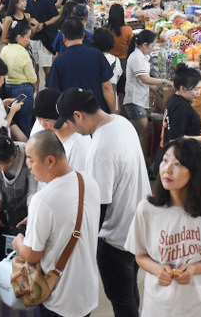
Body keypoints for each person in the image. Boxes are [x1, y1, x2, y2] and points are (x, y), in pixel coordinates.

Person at [54, 87, 151, 317]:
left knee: (121, 299)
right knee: (129, 291)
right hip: (139, 224)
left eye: (70, 123)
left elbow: (98, 206)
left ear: (78, 115)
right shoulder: (121, 122)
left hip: (116, 237)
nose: (72, 129)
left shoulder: (99, 149)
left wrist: (84, 248)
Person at [126, 138, 201, 316]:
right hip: (159, 305)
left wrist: (195, 269)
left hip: (200, 305)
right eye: (165, 160)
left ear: (196, 170)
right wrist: (158, 269)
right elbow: (140, 255)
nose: (167, 169)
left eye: (177, 164)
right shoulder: (147, 209)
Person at [12, 130, 101, 317]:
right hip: (87, 292)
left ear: (50, 161)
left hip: (60, 298)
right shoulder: (88, 181)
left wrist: (18, 241)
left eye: (31, 159)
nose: (28, 165)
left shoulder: (43, 200)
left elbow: (32, 255)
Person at [152, 63, 201, 178]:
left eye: (200, 89)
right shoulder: (181, 107)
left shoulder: (175, 98)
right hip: (177, 159)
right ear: (183, 88)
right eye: (195, 89)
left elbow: (176, 124)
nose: (198, 93)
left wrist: (197, 127)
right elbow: (176, 137)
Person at [47, 19, 116, 114]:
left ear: (64, 37)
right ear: (83, 36)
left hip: (72, 114)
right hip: (97, 112)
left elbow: (53, 92)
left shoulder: (59, 61)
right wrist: (114, 113)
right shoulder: (97, 55)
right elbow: (106, 86)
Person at [0, 135, 37, 257]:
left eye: (7, 163)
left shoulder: (28, 156)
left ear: (15, 153)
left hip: (25, 203)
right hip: (5, 203)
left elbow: (32, 191)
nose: (3, 168)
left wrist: (31, 216)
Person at [123, 30, 172, 160]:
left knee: (146, 132)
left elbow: (146, 82)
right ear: (145, 45)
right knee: (144, 134)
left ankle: (144, 160)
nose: (153, 49)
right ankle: (142, 162)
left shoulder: (143, 57)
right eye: (152, 46)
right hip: (134, 101)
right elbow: (145, 79)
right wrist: (164, 81)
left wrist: (158, 93)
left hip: (140, 101)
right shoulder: (136, 58)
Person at [30, 88, 91, 171]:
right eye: (39, 118)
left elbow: (79, 176)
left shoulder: (79, 143)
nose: (42, 124)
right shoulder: (40, 124)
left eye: (47, 120)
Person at [0, 22, 37, 137]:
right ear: (19, 37)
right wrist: (34, 85)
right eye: (27, 37)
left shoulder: (5, 50)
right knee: (24, 122)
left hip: (7, 88)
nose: (29, 40)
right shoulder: (23, 53)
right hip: (23, 90)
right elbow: (32, 77)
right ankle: (24, 145)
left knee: (11, 121)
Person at [21, 0, 60, 80]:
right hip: (33, 39)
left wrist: (44, 24)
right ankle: (37, 90)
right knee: (34, 69)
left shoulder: (46, 0)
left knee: (47, 69)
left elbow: (56, 16)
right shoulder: (29, 2)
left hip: (44, 39)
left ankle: (49, 88)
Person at [107, 4, 133, 101]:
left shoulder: (106, 30)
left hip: (109, 62)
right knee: (122, 90)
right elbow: (132, 46)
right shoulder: (128, 30)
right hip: (123, 62)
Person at [92, 28, 123, 107]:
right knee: (114, 113)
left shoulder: (92, 58)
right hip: (113, 95)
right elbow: (117, 78)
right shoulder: (115, 60)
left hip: (96, 97)